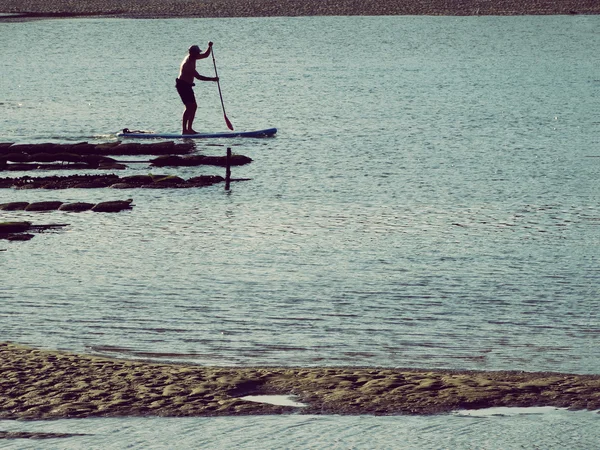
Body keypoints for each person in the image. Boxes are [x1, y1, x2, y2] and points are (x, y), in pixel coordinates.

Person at [176, 42, 219, 135]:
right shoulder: (188, 64)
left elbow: (206, 55)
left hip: (187, 86)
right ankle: (184, 130)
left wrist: (209, 47)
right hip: (182, 86)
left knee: (194, 107)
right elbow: (199, 77)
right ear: (192, 53)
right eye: (197, 53)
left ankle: (190, 129)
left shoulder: (193, 57)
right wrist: (212, 79)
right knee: (189, 107)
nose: (199, 54)